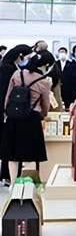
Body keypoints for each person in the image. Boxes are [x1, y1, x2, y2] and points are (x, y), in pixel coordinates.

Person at [1, 50, 54, 183]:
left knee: (12, 154)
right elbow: (45, 104)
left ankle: (13, 183)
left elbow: (8, 97)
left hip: (14, 117)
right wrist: (43, 115)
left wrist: (8, 112)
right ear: (46, 65)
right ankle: (27, 183)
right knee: (30, 154)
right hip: (32, 118)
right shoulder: (44, 81)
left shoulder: (17, 74)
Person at [0, 45, 33, 183]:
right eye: (27, 57)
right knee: (8, 144)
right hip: (8, 111)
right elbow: (3, 91)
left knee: (9, 144)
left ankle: (8, 174)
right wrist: (5, 109)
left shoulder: (14, 67)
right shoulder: (7, 69)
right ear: (20, 55)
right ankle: (7, 175)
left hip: (13, 110)